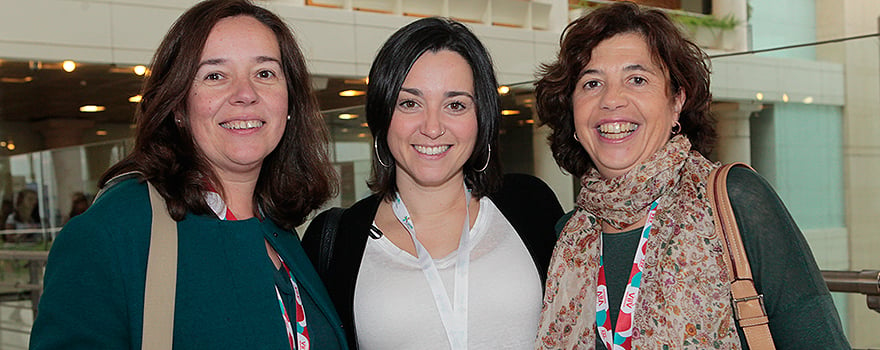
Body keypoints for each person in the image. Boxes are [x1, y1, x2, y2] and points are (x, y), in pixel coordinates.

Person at [30, 0, 348, 349]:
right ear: (178, 105)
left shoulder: (277, 229)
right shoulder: (112, 234)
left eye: (265, 73)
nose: (246, 94)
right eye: (215, 75)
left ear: (289, 102)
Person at [534, 2, 850, 349]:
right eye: (592, 83)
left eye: (637, 79)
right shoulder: (569, 236)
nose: (612, 100)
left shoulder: (735, 201)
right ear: (574, 112)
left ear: (676, 102)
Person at [301, 17, 564, 350]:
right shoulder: (335, 241)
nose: (432, 126)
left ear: (480, 118)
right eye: (410, 103)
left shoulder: (530, 204)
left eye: (455, 105)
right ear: (383, 116)